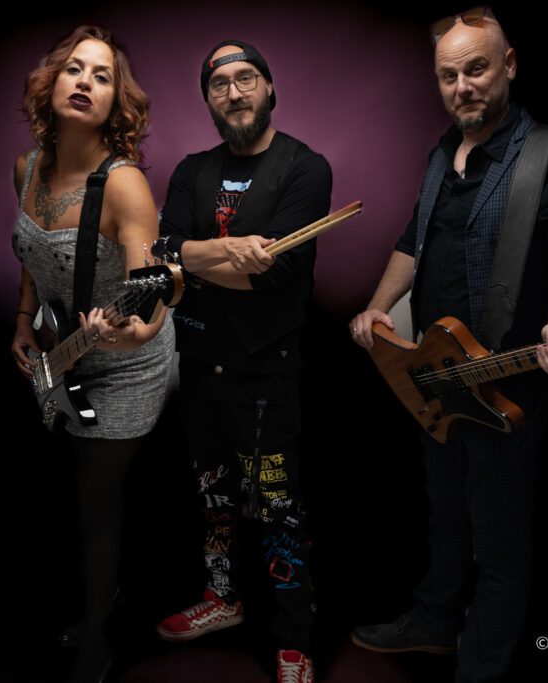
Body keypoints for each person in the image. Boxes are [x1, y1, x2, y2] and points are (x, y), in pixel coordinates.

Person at [348, 8, 548, 682]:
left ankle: (481, 668)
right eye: (448, 76)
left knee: (497, 536)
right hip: (436, 378)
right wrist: (376, 307)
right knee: (446, 514)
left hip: (506, 383)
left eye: (477, 69)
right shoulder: (441, 154)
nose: (462, 86)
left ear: (509, 65)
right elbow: (414, 240)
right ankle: (434, 621)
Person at [154, 38, 332, 683]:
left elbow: (276, 273)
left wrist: (189, 260)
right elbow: (159, 253)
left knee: (277, 502)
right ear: (208, 99)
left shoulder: (305, 168)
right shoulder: (191, 170)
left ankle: (294, 640)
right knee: (213, 494)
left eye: (247, 78)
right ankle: (223, 597)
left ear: (269, 87)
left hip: (266, 369)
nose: (234, 92)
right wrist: (223, 253)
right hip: (200, 360)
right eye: (220, 84)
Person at [9, 25, 175, 683]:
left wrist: (136, 333)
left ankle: (98, 637)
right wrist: (24, 321)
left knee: (94, 503)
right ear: (51, 85)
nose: (85, 81)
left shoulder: (125, 186)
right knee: (60, 491)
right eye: (75, 69)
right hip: (63, 349)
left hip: (126, 362)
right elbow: (33, 257)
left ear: (115, 103)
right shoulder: (26, 168)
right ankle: (93, 593)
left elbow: (152, 292)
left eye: (102, 76)